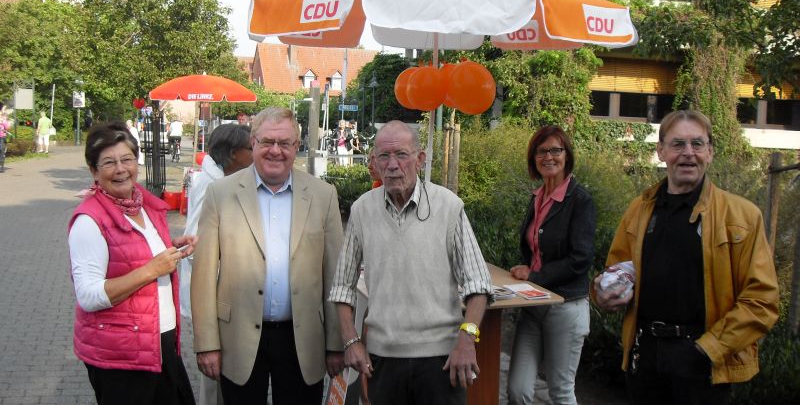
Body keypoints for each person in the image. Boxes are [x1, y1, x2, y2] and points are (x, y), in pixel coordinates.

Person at [592, 110, 780, 405]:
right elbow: (616, 269)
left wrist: (707, 350)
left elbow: (762, 301)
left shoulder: (742, 215)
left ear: (710, 152)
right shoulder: (640, 210)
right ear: (661, 151)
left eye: (697, 144)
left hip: (702, 361)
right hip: (646, 355)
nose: (688, 153)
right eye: (678, 144)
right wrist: (603, 293)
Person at [329, 120, 493, 405]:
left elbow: (478, 284)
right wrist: (351, 341)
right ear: (375, 162)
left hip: (441, 358)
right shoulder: (362, 210)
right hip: (383, 358)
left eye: (401, 155)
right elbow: (342, 286)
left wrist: (467, 340)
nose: (393, 165)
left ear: (419, 159)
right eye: (384, 156)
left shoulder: (448, 206)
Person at [191, 107, 345, 405]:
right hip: (238, 337)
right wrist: (206, 343)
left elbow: (334, 276)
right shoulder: (220, 194)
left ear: (296, 146)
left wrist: (335, 344)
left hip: (302, 339)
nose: (276, 151)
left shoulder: (323, 195)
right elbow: (203, 274)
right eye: (267, 142)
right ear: (253, 143)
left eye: (284, 143)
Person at [67, 122, 197, 404]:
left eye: (127, 159)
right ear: (94, 171)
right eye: (109, 163)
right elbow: (89, 296)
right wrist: (152, 269)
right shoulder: (89, 221)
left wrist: (170, 250)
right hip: (120, 356)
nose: (121, 169)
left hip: (159, 341)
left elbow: (135, 254)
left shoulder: (146, 206)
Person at [507, 126, 596, 405]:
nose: (548, 156)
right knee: (518, 390)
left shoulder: (580, 200)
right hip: (534, 306)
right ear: (533, 157)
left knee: (560, 392)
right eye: (541, 151)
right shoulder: (537, 197)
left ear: (566, 155)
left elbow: (581, 259)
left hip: (566, 307)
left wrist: (535, 275)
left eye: (555, 150)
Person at [180, 123, 252, 405]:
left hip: (222, 289)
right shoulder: (212, 185)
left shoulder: (221, 177)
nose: (255, 153)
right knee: (214, 368)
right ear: (234, 154)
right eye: (251, 148)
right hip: (215, 291)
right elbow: (196, 242)